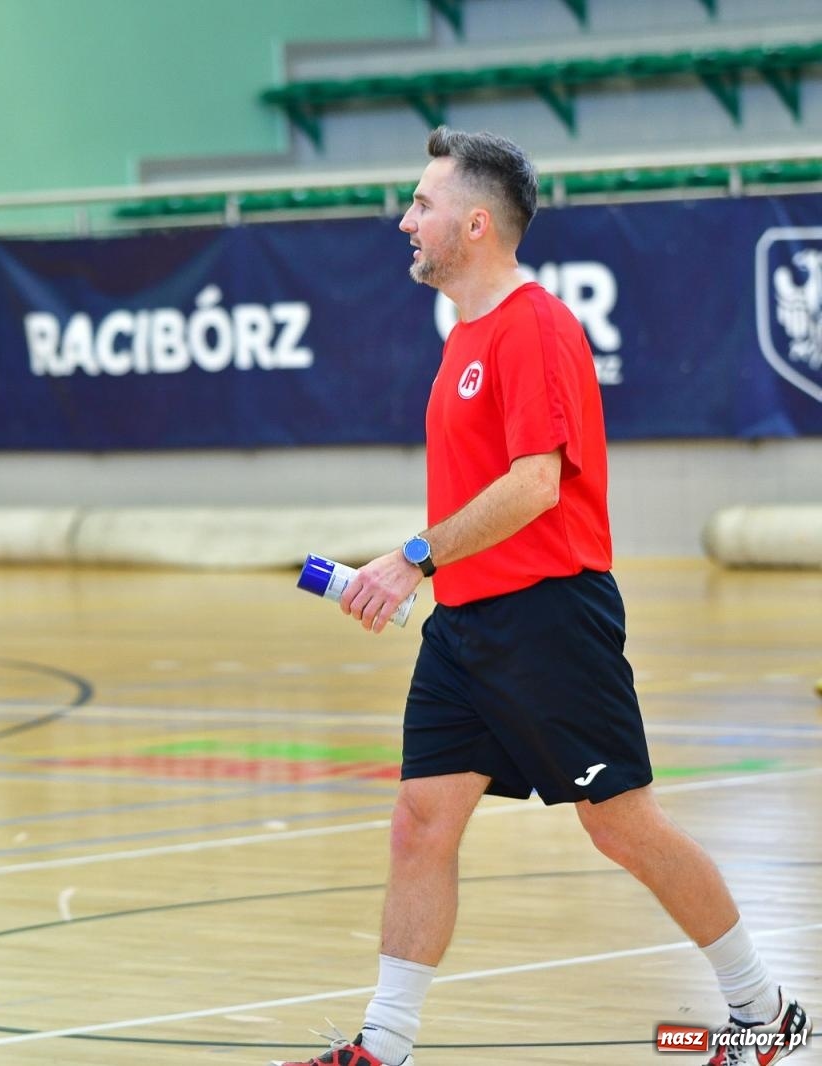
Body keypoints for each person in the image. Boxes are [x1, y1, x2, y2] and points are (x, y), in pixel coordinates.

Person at [272, 128, 811, 1066]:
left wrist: (409, 558)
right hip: (465, 631)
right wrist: (414, 572)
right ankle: (384, 1047)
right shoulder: (464, 339)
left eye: (423, 205)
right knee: (420, 823)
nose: (406, 220)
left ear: (474, 224)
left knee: (622, 825)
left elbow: (534, 485)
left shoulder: (537, 327)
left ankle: (765, 1014)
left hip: (550, 619)